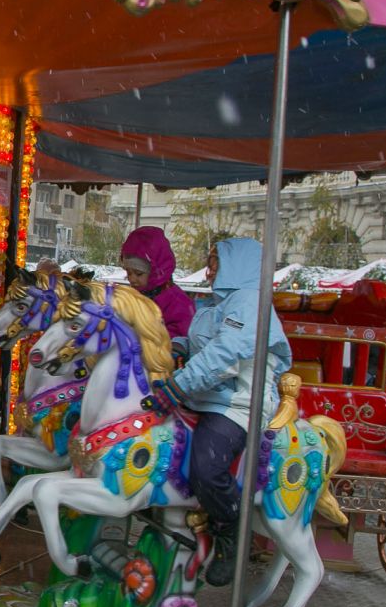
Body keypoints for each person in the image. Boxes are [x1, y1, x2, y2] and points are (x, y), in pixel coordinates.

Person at [147, 237, 291, 587]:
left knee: (207, 466)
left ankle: (231, 529)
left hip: (237, 403)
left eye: (214, 264)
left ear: (236, 265)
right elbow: (199, 342)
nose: (209, 271)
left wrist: (178, 386)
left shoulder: (251, 304)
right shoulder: (216, 303)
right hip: (204, 397)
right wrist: (173, 348)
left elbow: (224, 355)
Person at [120, 226, 195, 338]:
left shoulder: (178, 303)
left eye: (139, 274)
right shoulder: (135, 295)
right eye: (128, 273)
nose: (132, 279)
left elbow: (179, 336)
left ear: (155, 272)